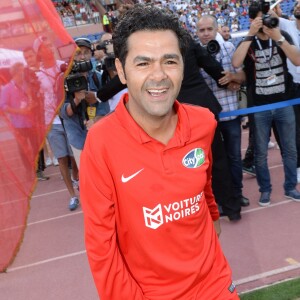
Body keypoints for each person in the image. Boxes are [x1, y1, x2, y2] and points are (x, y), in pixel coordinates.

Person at [80, 4, 238, 299]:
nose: (159, 75)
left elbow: (204, 186)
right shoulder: (101, 144)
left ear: (183, 65)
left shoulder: (203, 121)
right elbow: (102, 249)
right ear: (122, 72)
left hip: (215, 285)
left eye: (170, 61)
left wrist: (214, 216)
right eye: (143, 63)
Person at [232, 1, 300, 206]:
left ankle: (290, 187)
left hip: (284, 102)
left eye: (271, 16)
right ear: (253, 20)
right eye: (264, 18)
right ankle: (265, 190)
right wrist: (250, 34)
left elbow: (297, 60)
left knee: (289, 149)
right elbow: (236, 63)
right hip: (259, 106)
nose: (269, 21)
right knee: (260, 153)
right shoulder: (248, 42)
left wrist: (277, 36)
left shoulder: (282, 36)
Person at [197, 15, 249, 208]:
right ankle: (219, 199)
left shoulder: (229, 48)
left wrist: (233, 76)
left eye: (209, 29)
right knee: (213, 161)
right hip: (207, 118)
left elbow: (243, 75)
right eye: (201, 30)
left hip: (231, 113)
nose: (206, 33)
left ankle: (237, 194)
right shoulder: (194, 53)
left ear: (216, 29)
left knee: (234, 157)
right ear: (196, 32)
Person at [60, 37, 110, 168]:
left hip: (98, 136)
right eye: (78, 53)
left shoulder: (98, 77)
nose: (82, 56)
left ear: (91, 54)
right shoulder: (63, 80)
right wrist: (76, 99)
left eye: (86, 52)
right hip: (77, 137)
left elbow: (105, 107)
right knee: (86, 176)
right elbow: (63, 113)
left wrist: (95, 121)